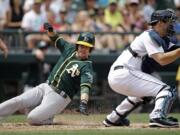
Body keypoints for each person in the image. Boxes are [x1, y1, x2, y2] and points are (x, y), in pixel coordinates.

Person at [0, 22, 95, 125]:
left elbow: (85, 86)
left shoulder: (87, 66)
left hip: (59, 97)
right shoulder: (69, 49)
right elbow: (56, 38)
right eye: (82, 46)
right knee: (18, 101)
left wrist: (83, 103)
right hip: (46, 86)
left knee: (32, 118)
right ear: (77, 45)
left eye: (86, 47)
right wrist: (50, 30)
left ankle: (48, 119)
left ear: (90, 49)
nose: (83, 49)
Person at [103, 9, 180, 128]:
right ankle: (157, 117)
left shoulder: (163, 39)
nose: (172, 25)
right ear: (160, 23)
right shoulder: (149, 35)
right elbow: (162, 59)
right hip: (124, 72)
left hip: (123, 74)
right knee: (167, 90)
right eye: (169, 22)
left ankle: (114, 118)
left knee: (142, 95)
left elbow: (174, 50)